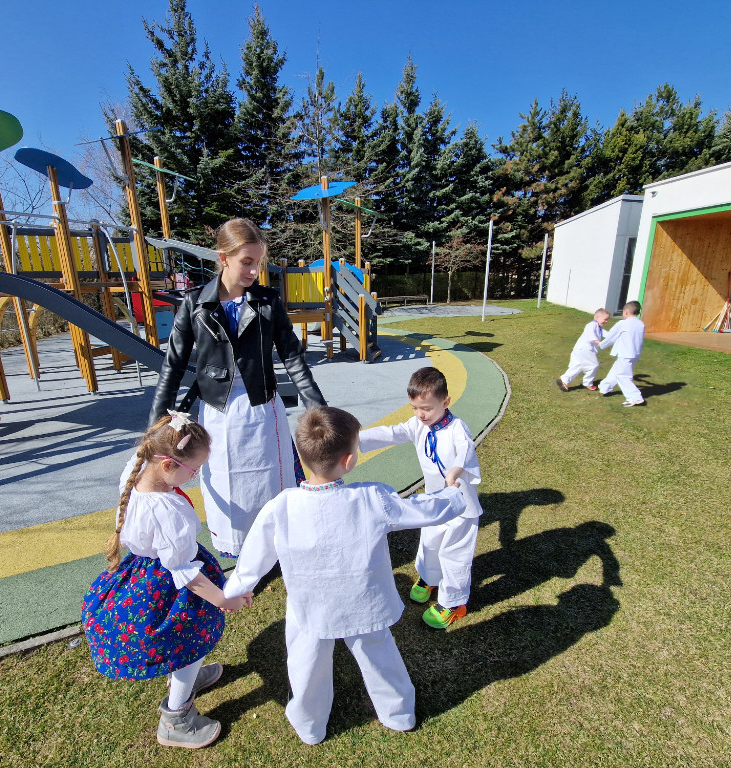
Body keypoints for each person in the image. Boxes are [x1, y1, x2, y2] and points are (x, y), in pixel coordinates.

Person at [223, 406, 473, 745]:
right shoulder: (372, 497)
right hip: (365, 604)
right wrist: (454, 493)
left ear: (302, 455)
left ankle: (310, 726)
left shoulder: (281, 506)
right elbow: (424, 510)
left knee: (306, 664)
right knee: (379, 656)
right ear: (350, 460)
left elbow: (253, 557)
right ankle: (399, 714)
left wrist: (235, 589)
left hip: (310, 607)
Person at [149, 218, 326, 558]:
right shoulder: (194, 304)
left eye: (258, 262)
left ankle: (277, 546)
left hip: (262, 408)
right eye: (247, 262)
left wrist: (318, 409)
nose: (254, 271)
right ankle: (241, 551)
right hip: (218, 412)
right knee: (226, 480)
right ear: (223, 258)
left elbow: (292, 356)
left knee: (269, 478)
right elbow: (172, 366)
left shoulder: (268, 301)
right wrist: (157, 424)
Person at [81, 412, 252, 750]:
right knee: (188, 641)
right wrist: (223, 598)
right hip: (169, 586)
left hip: (142, 574)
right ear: (168, 465)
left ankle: (186, 679)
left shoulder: (137, 471)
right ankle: (176, 718)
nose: (195, 476)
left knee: (186, 641)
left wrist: (170, 429)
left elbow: (148, 447)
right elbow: (184, 572)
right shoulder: (167, 512)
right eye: (194, 470)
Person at [357, 367, 482, 629]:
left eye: (426, 408)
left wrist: (455, 472)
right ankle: (429, 578)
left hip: (461, 506)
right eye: (415, 408)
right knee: (430, 543)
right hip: (434, 501)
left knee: (454, 554)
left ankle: (453, 602)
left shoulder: (457, 428)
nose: (420, 414)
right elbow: (392, 433)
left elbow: (465, 450)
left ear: (445, 402)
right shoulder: (418, 425)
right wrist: (355, 439)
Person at [597, 300, 647, 407]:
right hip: (635, 353)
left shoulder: (623, 323)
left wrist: (601, 344)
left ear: (626, 311)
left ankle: (635, 398)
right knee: (616, 370)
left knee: (622, 375)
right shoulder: (640, 324)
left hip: (626, 353)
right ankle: (605, 387)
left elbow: (611, 336)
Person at [557, 308, 610, 391]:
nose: (606, 321)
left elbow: (609, 335)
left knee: (577, 366)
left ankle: (564, 379)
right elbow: (591, 336)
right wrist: (599, 342)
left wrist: (617, 337)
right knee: (594, 365)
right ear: (597, 317)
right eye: (605, 319)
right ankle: (587, 382)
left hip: (580, 350)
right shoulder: (591, 325)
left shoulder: (599, 328)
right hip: (585, 349)